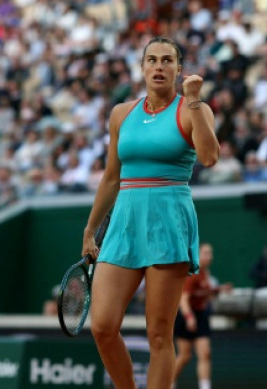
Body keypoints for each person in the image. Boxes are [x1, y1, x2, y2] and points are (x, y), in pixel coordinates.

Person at [81, 38, 219, 389]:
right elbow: (112, 177)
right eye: (152, 60)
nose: (159, 66)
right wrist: (90, 229)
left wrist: (194, 99)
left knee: (159, 335)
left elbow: (209, 158)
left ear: (178, 68)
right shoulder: (121, 114)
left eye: (167, 60)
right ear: (142, 68)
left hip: (168, 221)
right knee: (102, 326)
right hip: (124, 223)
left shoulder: (193, 108)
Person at [173, 243, 227, 389]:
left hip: (202, 315)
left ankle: (204, 386)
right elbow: (183, 299)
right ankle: (168, 383)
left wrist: (218, 290)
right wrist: (189, 317)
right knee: (185, 356)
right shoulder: (192, 273)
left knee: (205, 354)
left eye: (210, 253)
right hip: (186, 315)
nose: (209, 256)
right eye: (205, 253)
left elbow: (203, 294)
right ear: (198, 255)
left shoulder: (206, 275)